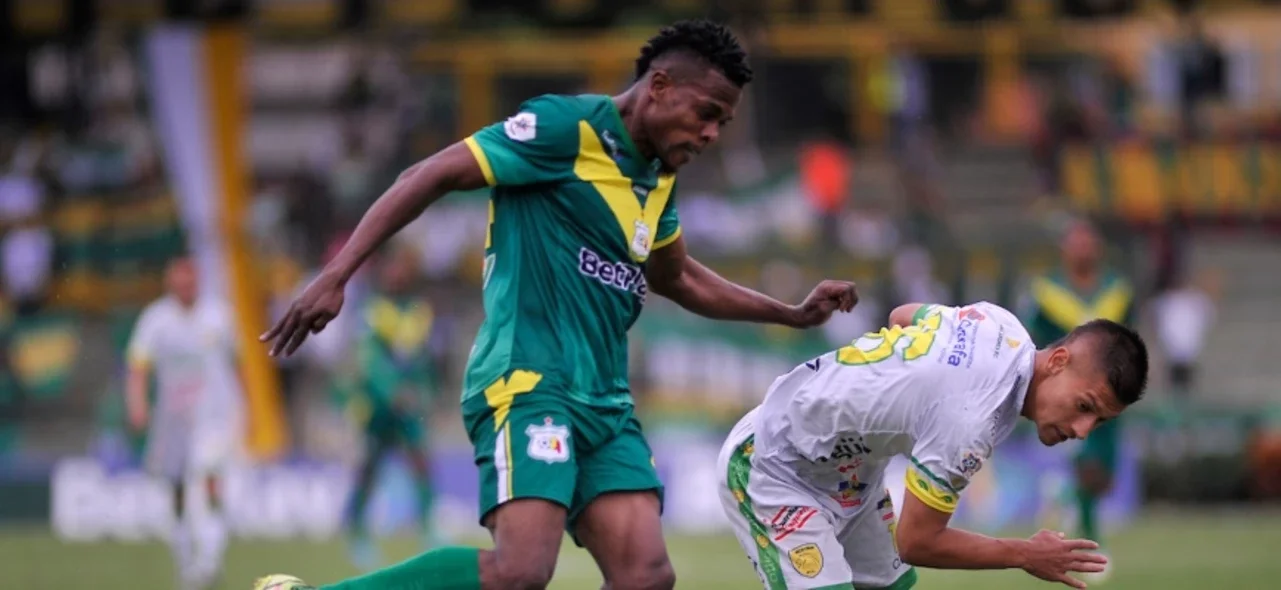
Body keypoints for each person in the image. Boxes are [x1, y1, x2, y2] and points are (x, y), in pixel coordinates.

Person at [255, 19, 856, 590]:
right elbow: (429, 173)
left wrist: (790, 313)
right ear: (659, 86)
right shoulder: (563, 129)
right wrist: (335, 275)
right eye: (706, 114)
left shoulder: (657, 176)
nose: (711, 134)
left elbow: (679, 278)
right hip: (529, 380)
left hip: (606, 404)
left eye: (722, 123)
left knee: (646, 575)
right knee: (520, 571)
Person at [717, 301, 1148, 590]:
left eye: (1100, 420)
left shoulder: (1001, 325)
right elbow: (917, 542)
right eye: (1085, 406)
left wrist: (891, 386)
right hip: (775, 466)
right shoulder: (969, 421)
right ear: (1057, 361)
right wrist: (1024, 553)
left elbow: (903, 315)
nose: (1084, 429)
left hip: (850, 476)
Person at [1021, 219, 1135, 572]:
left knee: (1104, 476)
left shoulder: (1118, 291)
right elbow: (1033, 341)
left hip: (1110, 395)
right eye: (1077, 243)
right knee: (1087, 465)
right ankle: (1090, 544)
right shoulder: (1045, 292)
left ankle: (1065, 497)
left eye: (1089, 243)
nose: (1083, 250)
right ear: (1065, 250)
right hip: (1069, 393)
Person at [126, 256, 245, 589]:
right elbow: (138, 367)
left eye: (189, 283)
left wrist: (244, 408)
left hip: (213, 416)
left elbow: (238, 363)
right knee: (176, 489)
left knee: (209, 476)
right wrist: (137, 405)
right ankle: (185, 559)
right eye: (179, 284)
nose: (185, 289)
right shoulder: (155, 320)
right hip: (173, 419)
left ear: (198, 282)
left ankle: (208, 560)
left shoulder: (219, 315)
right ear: (170, 285)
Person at [343, 245, 449, 568]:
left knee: (421, 461)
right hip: (377, 406)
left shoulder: (419, 310)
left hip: (410, 404)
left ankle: (428, 528)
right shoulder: (372, 310)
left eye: (401, 268)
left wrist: (424, 392)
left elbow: (424, 359)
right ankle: (356, 530)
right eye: (391, 268)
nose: (396, 274)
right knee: (369, 469)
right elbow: (368, 360)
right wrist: (391, 391)